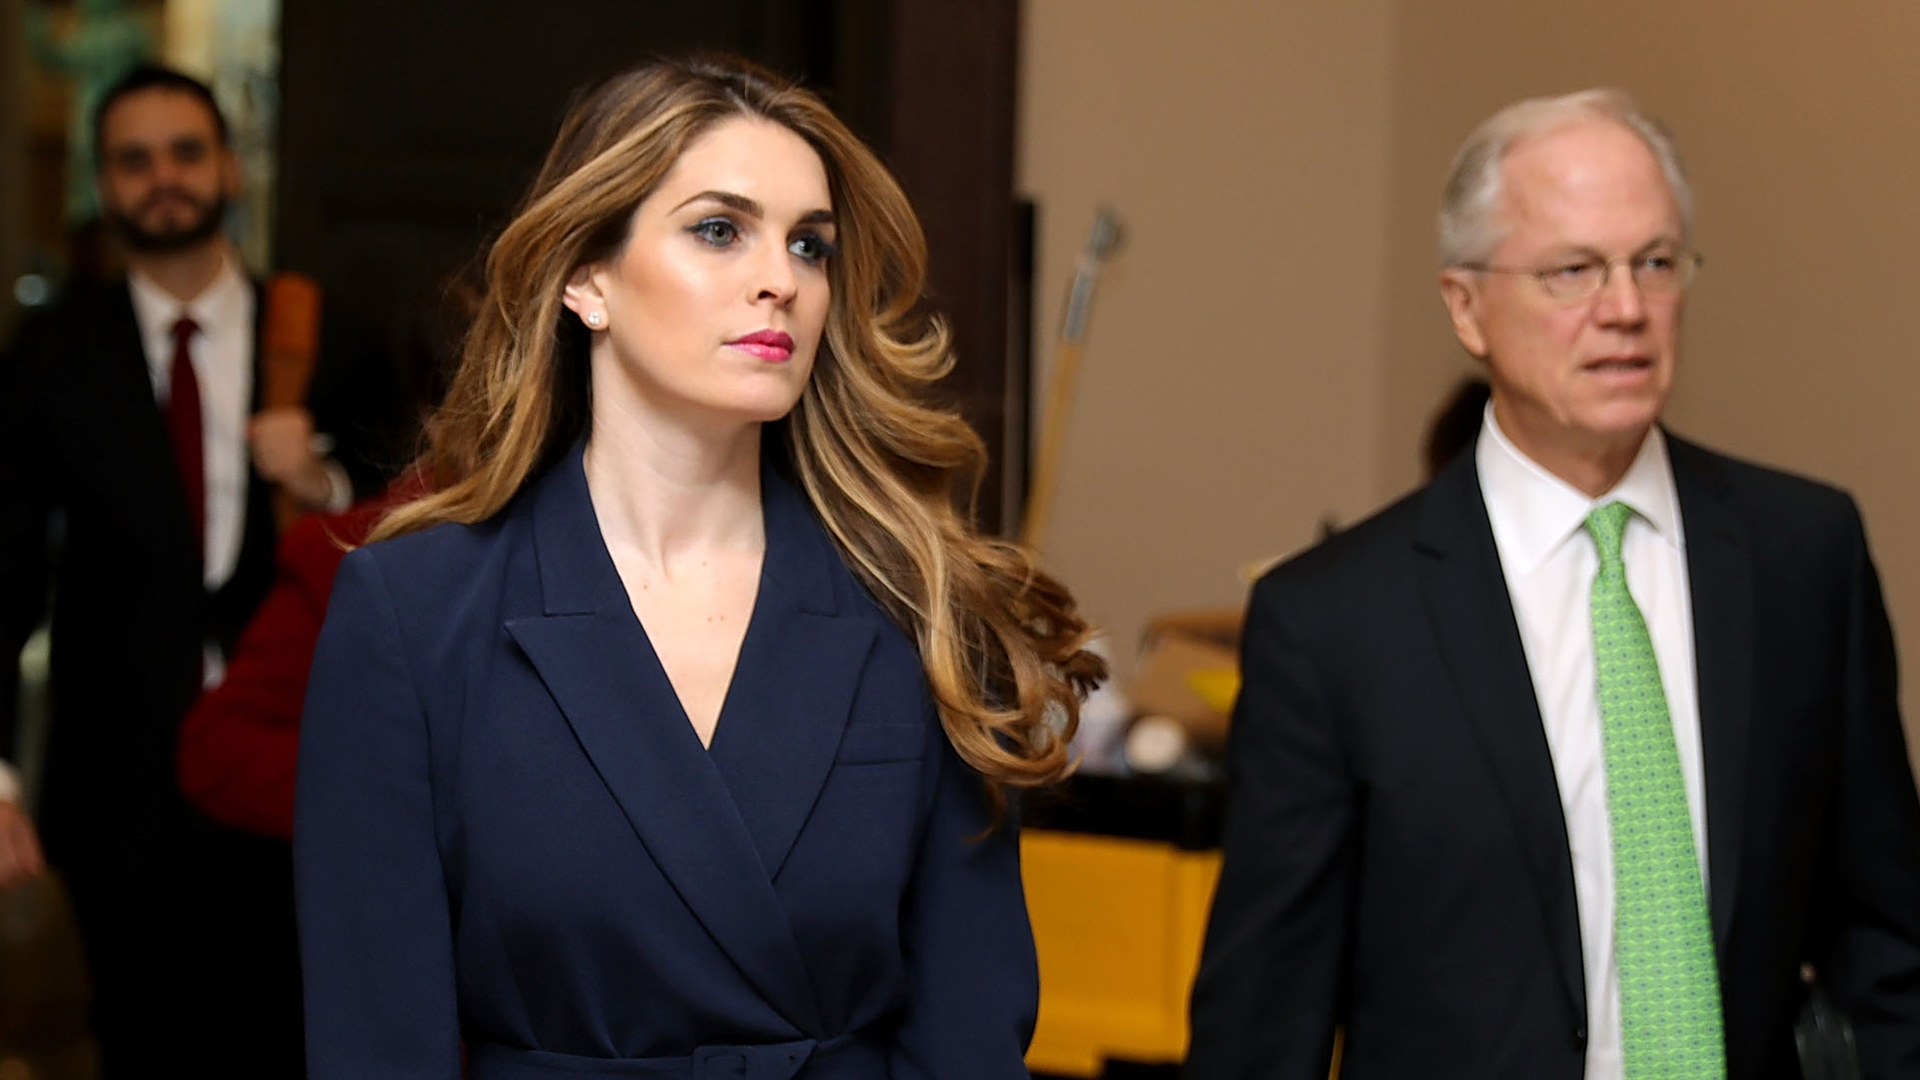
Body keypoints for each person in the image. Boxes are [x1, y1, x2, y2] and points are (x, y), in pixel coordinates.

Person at [294, 54, 1104, 1079]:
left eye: (809, 245)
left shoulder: (924, 611)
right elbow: (376, 1043)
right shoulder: (414, 615)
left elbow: (971, 1040)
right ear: (587, 277)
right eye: (720, 229)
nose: (782, 279)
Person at [1187, 88, 1920, 1079]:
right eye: (1571, 270)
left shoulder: (1804, 554)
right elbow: (1262, 1025)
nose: (1624, 308)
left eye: (1655, 263)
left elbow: (1886, 937)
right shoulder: (1336, 624)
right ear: (1465, 306)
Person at [0, 65, 400, 1077]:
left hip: (300, 770)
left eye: (185, 152)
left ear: (228, 168)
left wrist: (320, 475)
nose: (163, 178)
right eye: (133, 161)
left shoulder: (332, 339)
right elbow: (4, 568)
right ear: (103, 184)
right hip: (117, 789)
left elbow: (417, 540)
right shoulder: (51, 354)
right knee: (140, 1045)